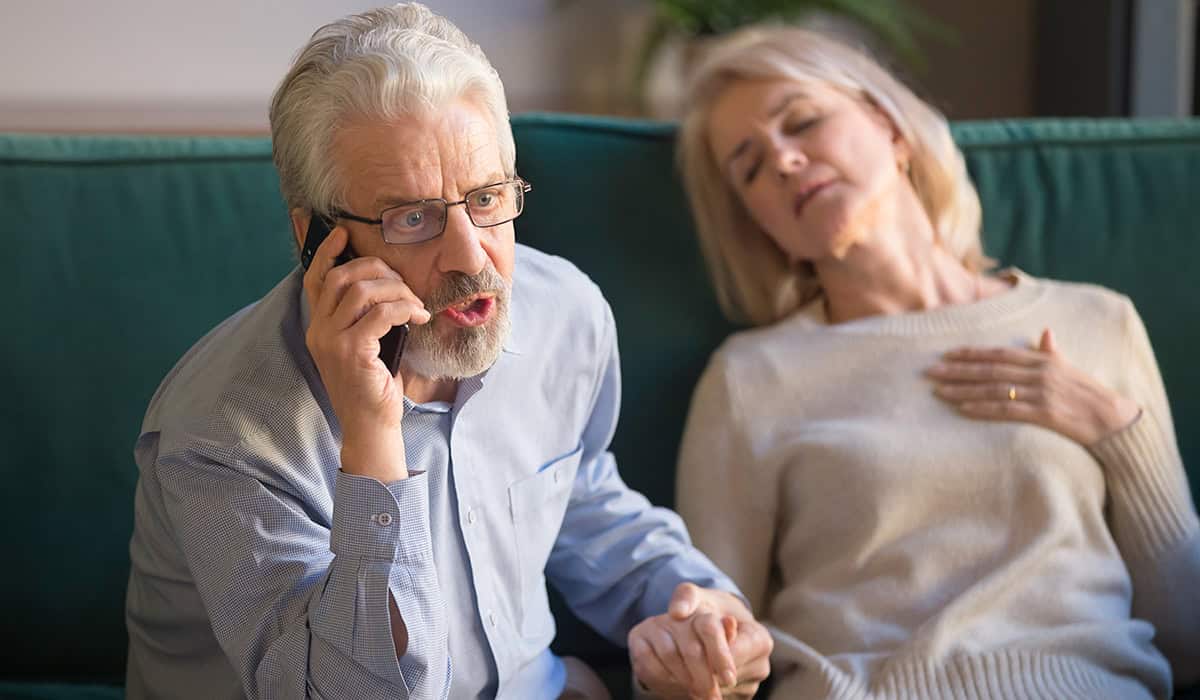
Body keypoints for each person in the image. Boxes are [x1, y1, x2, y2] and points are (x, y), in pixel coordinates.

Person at [123, 4, 773, 699]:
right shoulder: (225, 430)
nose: (471, 256)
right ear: (318, 238)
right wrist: (372, 435)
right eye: (413, 217)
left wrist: (697, 603)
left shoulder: (563, 315)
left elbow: (579, 498)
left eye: (487, 197)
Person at [674, 25, 1200, 700]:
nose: (782, 161)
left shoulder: (1097, 322)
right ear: (757, 222)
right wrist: (698, 654)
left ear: (892, 128)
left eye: (801, 122)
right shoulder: (751, 376)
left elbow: (1185, 637)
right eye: (749, 168)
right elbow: (711, 644)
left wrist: (1118, 431)